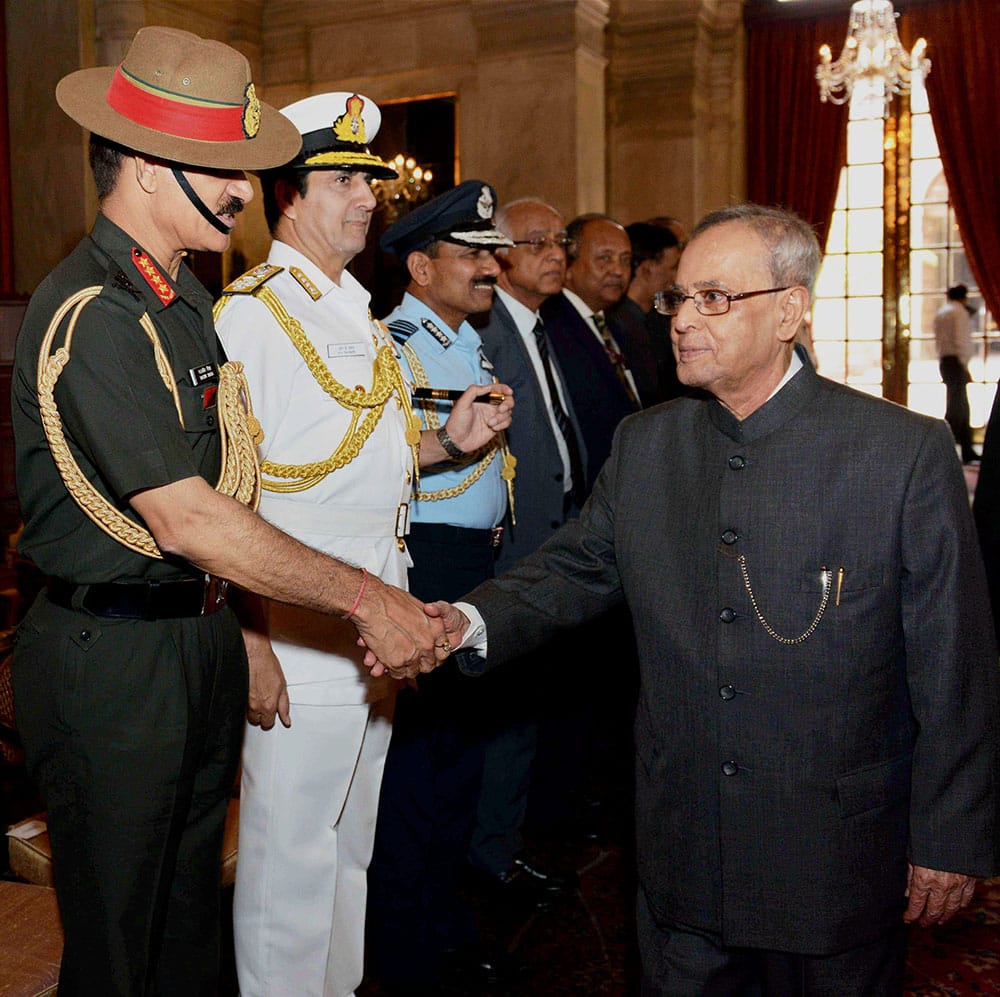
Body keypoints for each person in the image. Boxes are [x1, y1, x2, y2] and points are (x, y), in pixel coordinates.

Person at [425, 203, 1000, 996]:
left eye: (714, 298)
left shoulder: (900, 452)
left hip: (833, 861)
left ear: (790, 311)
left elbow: (956, 663)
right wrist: (464, 619)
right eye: (678, 298)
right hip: (682, 857)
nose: (683, 320)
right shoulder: (648, 443)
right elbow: (574, 568)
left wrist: (951, 835)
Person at [10, 29, 450, 995]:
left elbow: (242, 474)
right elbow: (189, 517)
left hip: (192, 641)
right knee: (121, 950)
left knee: (184, 938)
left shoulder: (176, 306)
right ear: (143, 167)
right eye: (221, 167)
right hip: (112, 660)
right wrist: (363, 600)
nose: (246, 190)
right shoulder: (97, 310)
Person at [213, 97, 512, 997]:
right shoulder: (253, 315)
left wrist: (444, 445)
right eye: (343, 179)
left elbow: (344, 461)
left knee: (350, 847)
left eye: (370, 182)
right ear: (288, 197)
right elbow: (226, 489)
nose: (367, 199)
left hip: (373, 619)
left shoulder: (354, 310)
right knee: (288, 857)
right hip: (299, 626)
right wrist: (250, 640)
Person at [366, 180, 518, 991]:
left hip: (475, 562)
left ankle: (442, 914)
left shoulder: (469, 341)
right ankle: (400, 944)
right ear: (421, 265)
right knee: (417, 767)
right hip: (424, 558)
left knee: (462, 755)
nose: (490, 266)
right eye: (473, 254)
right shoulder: (395, 346)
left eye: (493, 253)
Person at [466, 196, 586, 903]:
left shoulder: (540, 327)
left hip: (552, 541)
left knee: (525, 717)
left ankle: (503, 847)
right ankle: (489, 861)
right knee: (504, 722)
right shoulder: (492, 332)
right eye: (537, 240)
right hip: (513, 553)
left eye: (560, 238)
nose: (555, 252)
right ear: (501, 256)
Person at [541, 212, 640, 490]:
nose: (618, 271)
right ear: (568, 266)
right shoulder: (551, 326)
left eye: (625, 259)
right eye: (604, 258)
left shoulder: (616, 326)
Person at [608, 221, 683, 405]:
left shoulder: (657, 318)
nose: (677, 277)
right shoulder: (618, 325)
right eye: (673, 267)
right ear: (648, 268)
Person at [933, 283, 978, 463]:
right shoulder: (959, 313)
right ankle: (954, 448)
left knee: (957, 406)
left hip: (946, 361)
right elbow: (961, 340)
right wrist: (964, 364)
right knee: (959, 408)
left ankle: (959, 448)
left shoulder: (943, 312)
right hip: (956, 361)